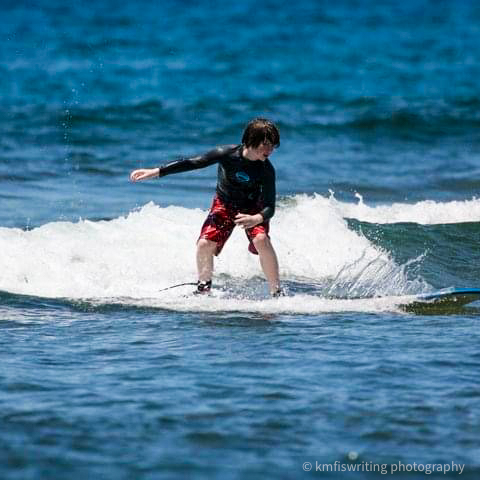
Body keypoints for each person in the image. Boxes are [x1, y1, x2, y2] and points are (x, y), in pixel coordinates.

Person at [130, 117, 283, 296]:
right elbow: (194, 162)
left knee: (261, 240)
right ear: (251, 140)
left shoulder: (266, 170)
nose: (270, 150)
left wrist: (256, 218)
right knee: (204, 244)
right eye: (266, 144)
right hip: (225, 203)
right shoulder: (226, 154)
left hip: (253, 209)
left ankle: (276, 292)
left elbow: (270, 207)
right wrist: (157, 171)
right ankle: (203, 289)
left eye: (273, 145)